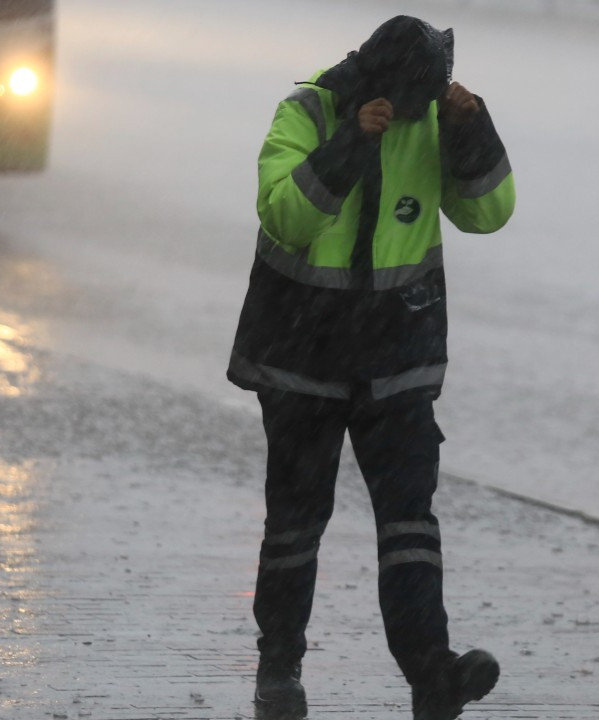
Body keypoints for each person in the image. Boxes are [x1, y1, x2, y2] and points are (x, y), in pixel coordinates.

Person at [226, 15, 515, 720]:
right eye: (410, 100)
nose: (416, 113)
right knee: (296, 522)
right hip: (303, 361)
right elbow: (286, 216)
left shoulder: (429, 121)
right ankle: (280, 666)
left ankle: (430, 672)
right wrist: (351, 140)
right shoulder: (306, 112)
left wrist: (473, 128)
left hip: (397, 364)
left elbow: (489, 212)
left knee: (409, 518)